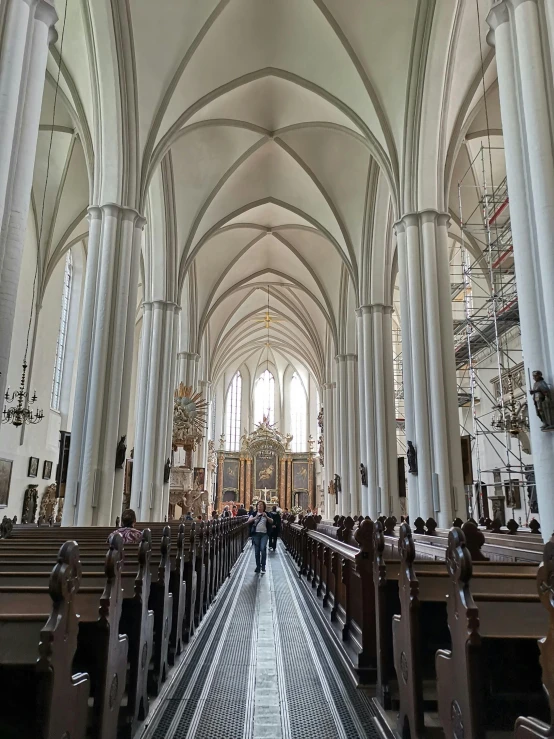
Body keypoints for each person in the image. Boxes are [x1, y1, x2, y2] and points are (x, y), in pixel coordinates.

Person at [249, 501, 272, 573]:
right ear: (257, 506)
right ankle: (258, 566)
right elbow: (248, 521)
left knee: (263, 548)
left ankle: (263, 566)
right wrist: (255, 517)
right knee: (256, 551)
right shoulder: (254, 513)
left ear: (264, 506)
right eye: (258, 505)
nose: (260, 506)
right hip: (256, 534)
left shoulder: (267, 514)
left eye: (261, 505)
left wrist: (266, 517)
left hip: (264, 534)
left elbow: (272, 521)